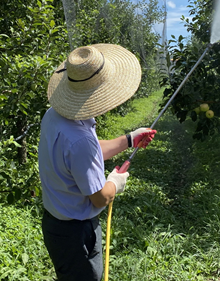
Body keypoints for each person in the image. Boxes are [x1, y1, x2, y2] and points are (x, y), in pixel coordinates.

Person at [38, 43, 157, 281]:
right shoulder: (79, 139)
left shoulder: (56, 115)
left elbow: (84, 155)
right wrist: (115, 182)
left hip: (58, 226)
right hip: (75, 232)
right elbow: (100, 196)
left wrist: (128, 140)